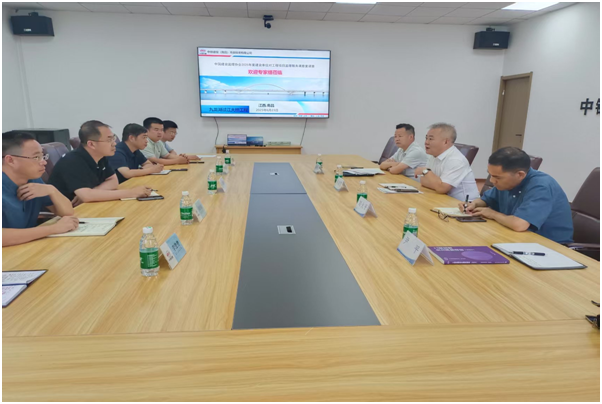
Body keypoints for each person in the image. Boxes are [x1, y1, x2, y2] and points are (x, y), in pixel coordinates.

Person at [459, 147, 573, 244]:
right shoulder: (508, 182)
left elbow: (519, 224)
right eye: (490, 175)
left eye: (497, 177)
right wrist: (473, 204)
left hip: (549, 246)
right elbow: (487, 200)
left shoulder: (541, 186)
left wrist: (492, 213)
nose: (492, 181)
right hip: (517, 238)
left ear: (520, 174)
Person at [2, 132, 79, 246]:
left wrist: (52, 190)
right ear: (10, 160)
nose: (44, 162)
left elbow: (67, 212)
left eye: (43, 156)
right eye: (36, 157)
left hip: (25, 246)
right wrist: (52, 229)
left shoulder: (33, 179)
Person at [49, 120, 153, 204]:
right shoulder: (72, 161)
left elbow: (113, 181)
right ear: (91, 144)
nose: (114, 144)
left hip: (88, 205)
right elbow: (86, 197)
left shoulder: (101, 156)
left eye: (113, 138)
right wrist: (130, 193)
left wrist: (93, 193)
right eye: (109, 140)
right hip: (67, 213)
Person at [414, 123, 479, 201]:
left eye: (431, 139)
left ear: (445, 142)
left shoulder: (456, 160)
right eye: (426, 138)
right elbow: (423, 181)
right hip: (444, 199)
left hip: (464, 205)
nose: (426, 142)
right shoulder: (433, 155)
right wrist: (436, 184)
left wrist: (425, 171)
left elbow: (442, 188)